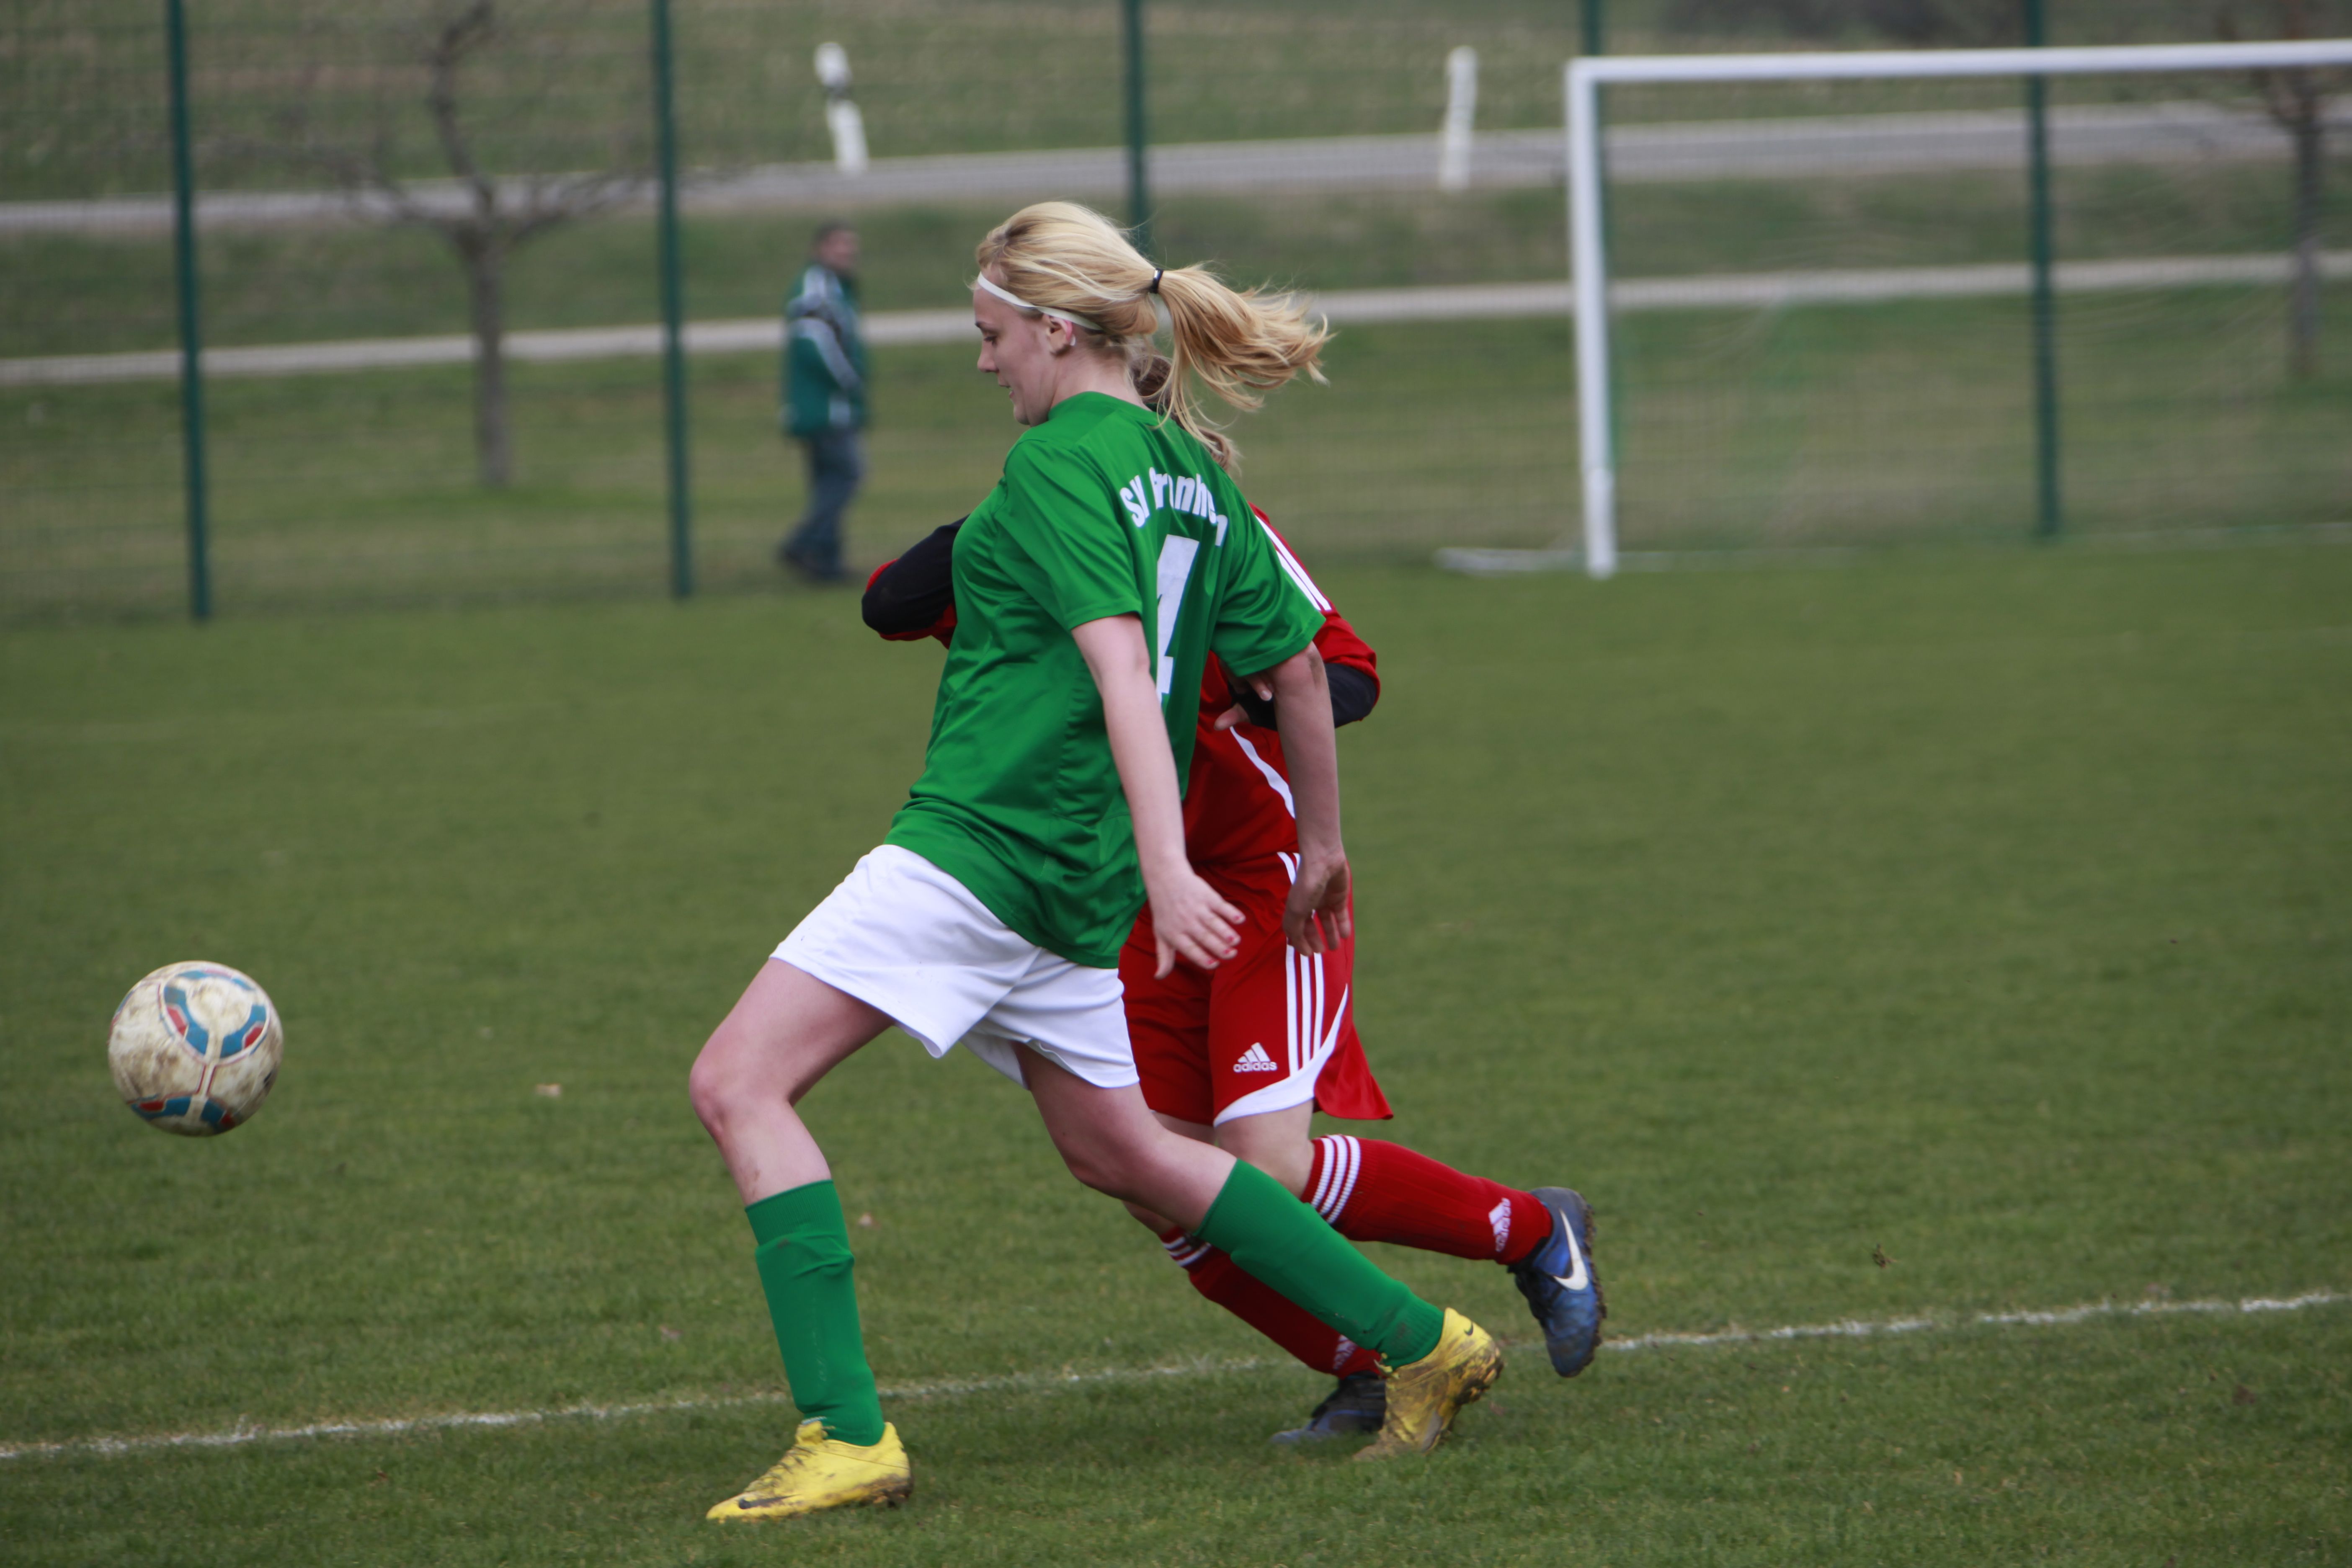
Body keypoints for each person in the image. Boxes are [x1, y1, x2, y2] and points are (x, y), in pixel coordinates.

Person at [689, 202, 1503, 1524]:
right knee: (1131, 1153)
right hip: (1076, 884)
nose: (983, 360)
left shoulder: (1062, 461)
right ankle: (1426, 1343)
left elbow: (1123, 666)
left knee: (737, 1084)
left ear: (1059, 334)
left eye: (991, 334)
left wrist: (1175, 868)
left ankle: (845, 1434)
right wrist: (1322, 848)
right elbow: (1301, 671)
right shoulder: (1191, 472)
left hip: (984, 846)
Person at [864, 483, 1604, 1446]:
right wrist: (1029, 498)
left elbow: (1348, 672)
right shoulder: (1050, 527)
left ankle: (1533, 1229)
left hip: (1268, 881)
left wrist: (1255, 700)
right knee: (1155, 1178)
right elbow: (892, 603)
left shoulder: (1214, 523)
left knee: (1267, 1167)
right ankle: (1363, 1364)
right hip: (1141, 889)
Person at [777, 221, 867, 583]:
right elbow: (815, 343)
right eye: (838, 244)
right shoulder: (816, 288)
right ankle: (802, 543)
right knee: (847, 475)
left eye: (850, 244)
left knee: (828, 481)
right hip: (826, 406)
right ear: (819, 249)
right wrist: (850, 379)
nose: (847, 251)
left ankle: (826, 563)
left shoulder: (837, 287)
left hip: (831, 405)